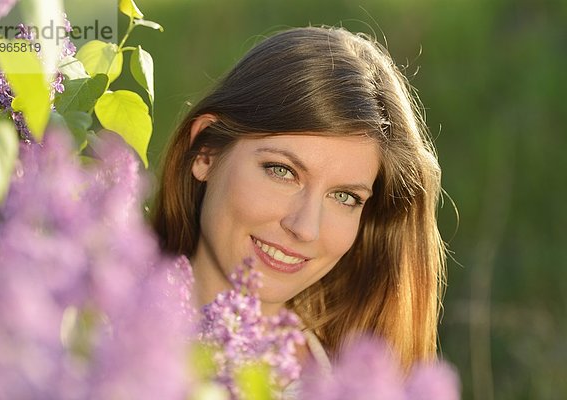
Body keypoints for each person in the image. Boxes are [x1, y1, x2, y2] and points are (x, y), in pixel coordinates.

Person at [152, 26, 446, 372]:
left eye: (344, 196)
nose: (305, 228)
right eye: (282, 171)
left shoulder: (343, 386)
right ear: (206, 152)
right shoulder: (88, 330)